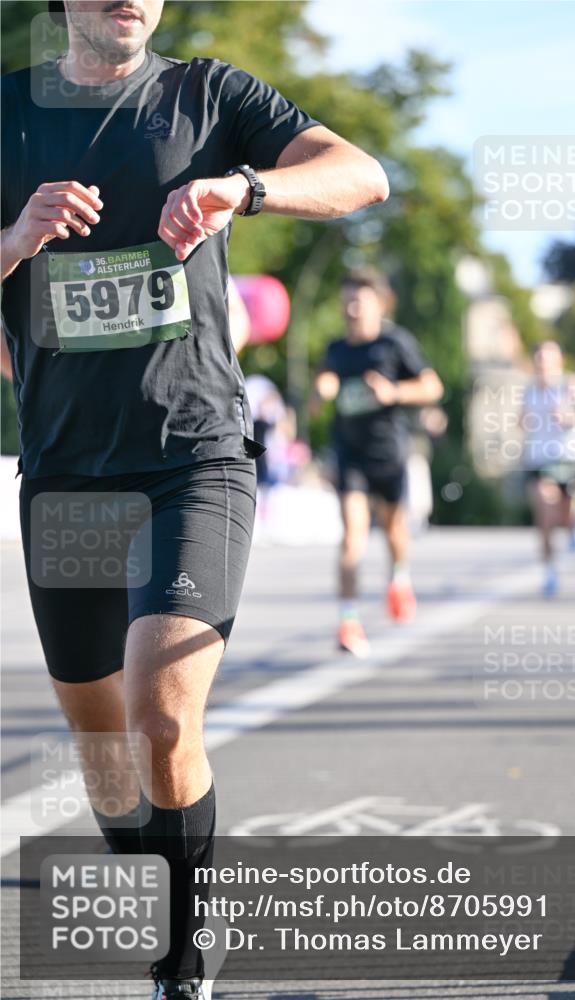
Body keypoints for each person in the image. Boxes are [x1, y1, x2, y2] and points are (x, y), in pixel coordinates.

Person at [0, 2, 389, 997]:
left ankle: (185, 956)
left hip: (193, 457)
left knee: (162, 717)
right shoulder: (7, 113)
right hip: (65, 474)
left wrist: (245, 188)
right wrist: (14, 238)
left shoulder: (210, 95)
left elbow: (359, 174)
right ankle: (169, 881)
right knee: (105, 757)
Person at [314, 268, 443, 657]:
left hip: (388, 454)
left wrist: (393, 391)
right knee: (352, 535)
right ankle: (349, 622)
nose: (352, 306)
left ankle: (399, 579)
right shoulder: (336, 349)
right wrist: (323, 390)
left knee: (393, 530)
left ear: (379, 303)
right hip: (349, 454)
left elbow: (433, 386)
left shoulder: (395, 343)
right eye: (347, 299)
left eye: (360, 299)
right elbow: (324, 381)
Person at [520, 341, 575, 596]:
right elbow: (521, 420)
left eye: (548, 361)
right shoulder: (530, 390)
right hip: (540, 461)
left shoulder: (573, 385)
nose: (543, 366)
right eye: (539, 361)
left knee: (565, 517)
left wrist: (572, 417)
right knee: (545, 515)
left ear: (559, 362)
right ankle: (549, 571)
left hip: (570, 459)